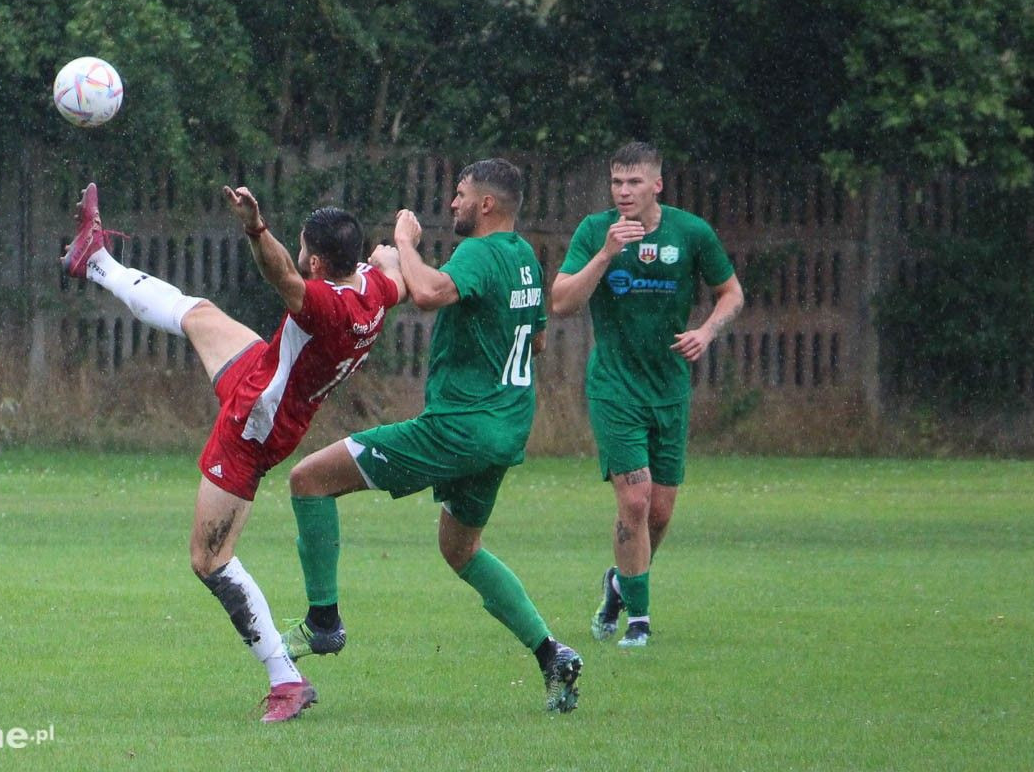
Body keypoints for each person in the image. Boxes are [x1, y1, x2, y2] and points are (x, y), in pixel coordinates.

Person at [59, 182, 404, 722]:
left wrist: (255, 228)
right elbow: (392, 268)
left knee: (209, 559)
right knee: (197, 314)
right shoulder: (377, 290)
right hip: (268, 375)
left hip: (255, 423)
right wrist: (401, 240)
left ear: (316, 260)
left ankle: (284, 678)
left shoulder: (325, 306)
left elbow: (281, 275)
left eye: (303, 247)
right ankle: (95, 259)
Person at [278, 158, 584, 713]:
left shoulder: (481, 252)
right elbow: (535, 344)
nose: (453, 203)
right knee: (460, 548)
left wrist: (402, 247)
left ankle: (323, 621)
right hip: (507, 428)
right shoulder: (523, 261)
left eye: (461, 194)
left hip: (457, 429)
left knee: (308, 480)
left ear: (486, 204)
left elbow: (428, 293)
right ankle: (551, 654)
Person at [550, 141, 744, 649]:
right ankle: (638, 620)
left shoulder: (691, 233)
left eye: (634, 182)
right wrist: (606, 254)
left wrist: (707, 331)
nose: (623, 191)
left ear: (657, 184)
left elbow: (732, 293)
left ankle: (619, 585)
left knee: (658, 513)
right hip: (615, 387)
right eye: (616, 182)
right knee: (634, 501)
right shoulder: (596, 231)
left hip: (670, 389)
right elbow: (562, 301)